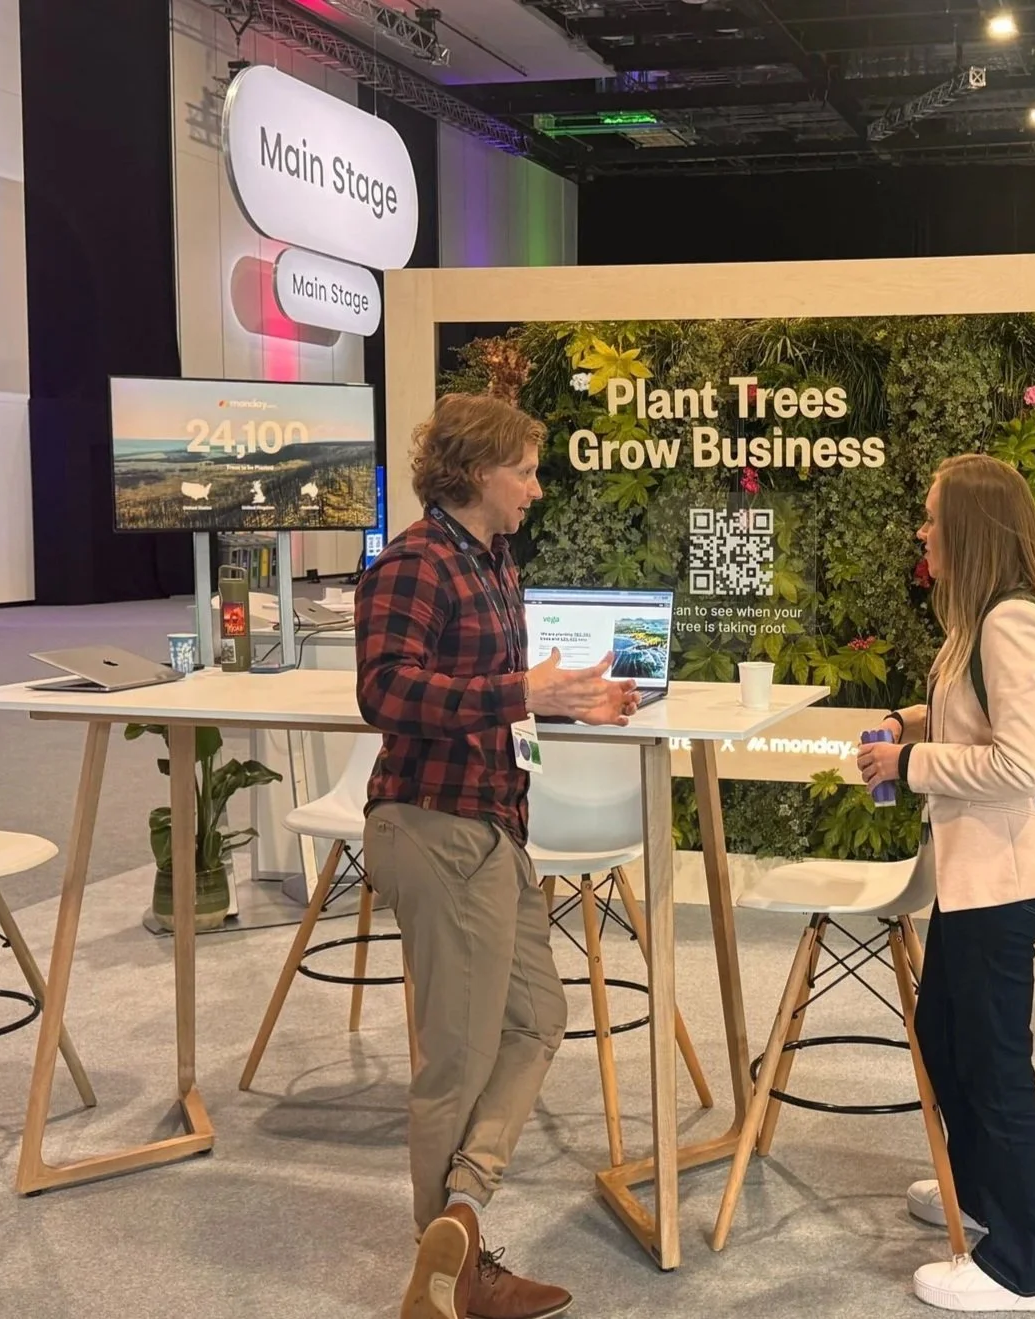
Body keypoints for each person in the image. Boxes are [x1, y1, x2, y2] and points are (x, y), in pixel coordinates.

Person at [363, 394, 639, 1319]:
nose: (535, 486)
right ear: (479, 471)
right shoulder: (415, 561)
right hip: (436, 825)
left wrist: (569, 704)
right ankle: (442, 1272)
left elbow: (492, 693)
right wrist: (523, 690)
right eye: (524, 469)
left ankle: (461, 1212)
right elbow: (386, 690)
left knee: (536, 1020)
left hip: (492, 824)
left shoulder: (493, 561)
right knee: (459, 1055)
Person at [859, 453, 1035, 1313]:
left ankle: (1026, 1268)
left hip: (1002, 876)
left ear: (969, 527)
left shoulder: (1009, 623)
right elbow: (976, 716)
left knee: (993, 1065)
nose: (922, 531)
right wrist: (909, 721)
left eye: (931, 516)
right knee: (946, 1035)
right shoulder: (983, 617)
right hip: (972, 875)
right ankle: (980, 1194)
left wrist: (910, 761)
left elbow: (1021, 763)